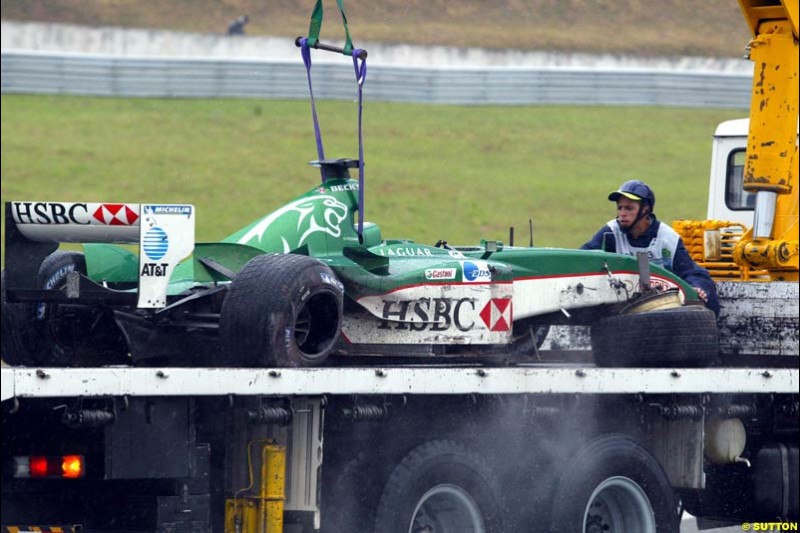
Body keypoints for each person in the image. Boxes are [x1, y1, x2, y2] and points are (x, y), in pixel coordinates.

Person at [581, 179, 720, 315]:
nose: (622, 213)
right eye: (620, 208)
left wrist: (698, 287)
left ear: (645, 209)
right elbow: (585, 257)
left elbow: (691, 272)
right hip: (621, 306)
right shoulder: (610, 232)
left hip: (664, 307)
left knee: (706, 285)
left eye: (629, 208)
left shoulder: (667, 238)